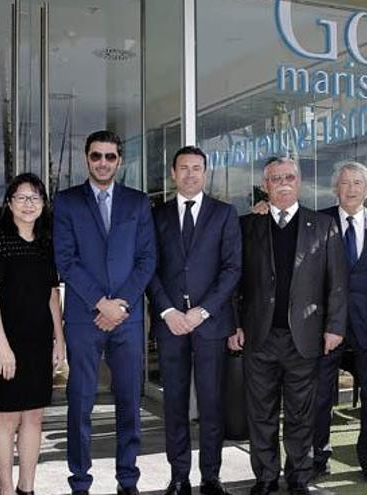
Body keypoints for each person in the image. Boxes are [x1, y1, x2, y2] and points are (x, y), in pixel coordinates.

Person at [228, 156, 348, 495]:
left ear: (300, 182)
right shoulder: (247, 225)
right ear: (265, 185)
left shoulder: (323, 226)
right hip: (258, 337)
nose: (283, 183)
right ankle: (266, 476)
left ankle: (299, 477)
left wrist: (335, 327)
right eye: (275, 178)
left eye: (289, 177)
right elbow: (233, 282)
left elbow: (337, 282)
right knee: (261, 413)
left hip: (305, 338)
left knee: (301, 414)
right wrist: (233, 325)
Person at [53, 130, 157, 495]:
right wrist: (101, 303)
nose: (102, 162)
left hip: (126, 319)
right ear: (86, 158)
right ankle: (79, 482)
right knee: (79, 403)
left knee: (129, 401)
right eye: (96, 156)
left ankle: (127, 480)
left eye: (110, 157)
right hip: (85, 315)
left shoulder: (138, 202)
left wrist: (121, 305)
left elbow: (147, 260)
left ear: (119, 161)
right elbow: (65, 260)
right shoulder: (66, 202)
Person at [147, 146, 241, 495]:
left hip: (210, 324)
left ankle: (212, 477)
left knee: (212, 402)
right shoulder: (156, 216)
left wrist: (202, 311)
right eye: (183, 168)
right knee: (174, 403)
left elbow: (233, 269)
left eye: (196, 168)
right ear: (173, 173)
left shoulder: (224, 213)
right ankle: (179, 476)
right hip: (170, 325)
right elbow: (149, 268)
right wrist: (169, 311)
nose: (190, 174)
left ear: (206, 172)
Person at [0, 173, 65, 495]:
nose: (28, 204)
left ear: (43, 204)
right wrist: (1, 347)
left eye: (35, 198)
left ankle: (26, 488)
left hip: (38, 341)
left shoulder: (46, 244)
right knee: (7, 418)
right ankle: (5, 489)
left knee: (34, 417)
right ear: (9, 203)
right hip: (7, 342)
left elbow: (51, 294)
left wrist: (60, 338)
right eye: (21, 197)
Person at [311, 161, 367, 484]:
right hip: (327, 328)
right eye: (345, 183)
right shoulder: (318, 222)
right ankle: (319, 455)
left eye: (358, 183)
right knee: (320, 395)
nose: (352, 188)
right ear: (336, 189)